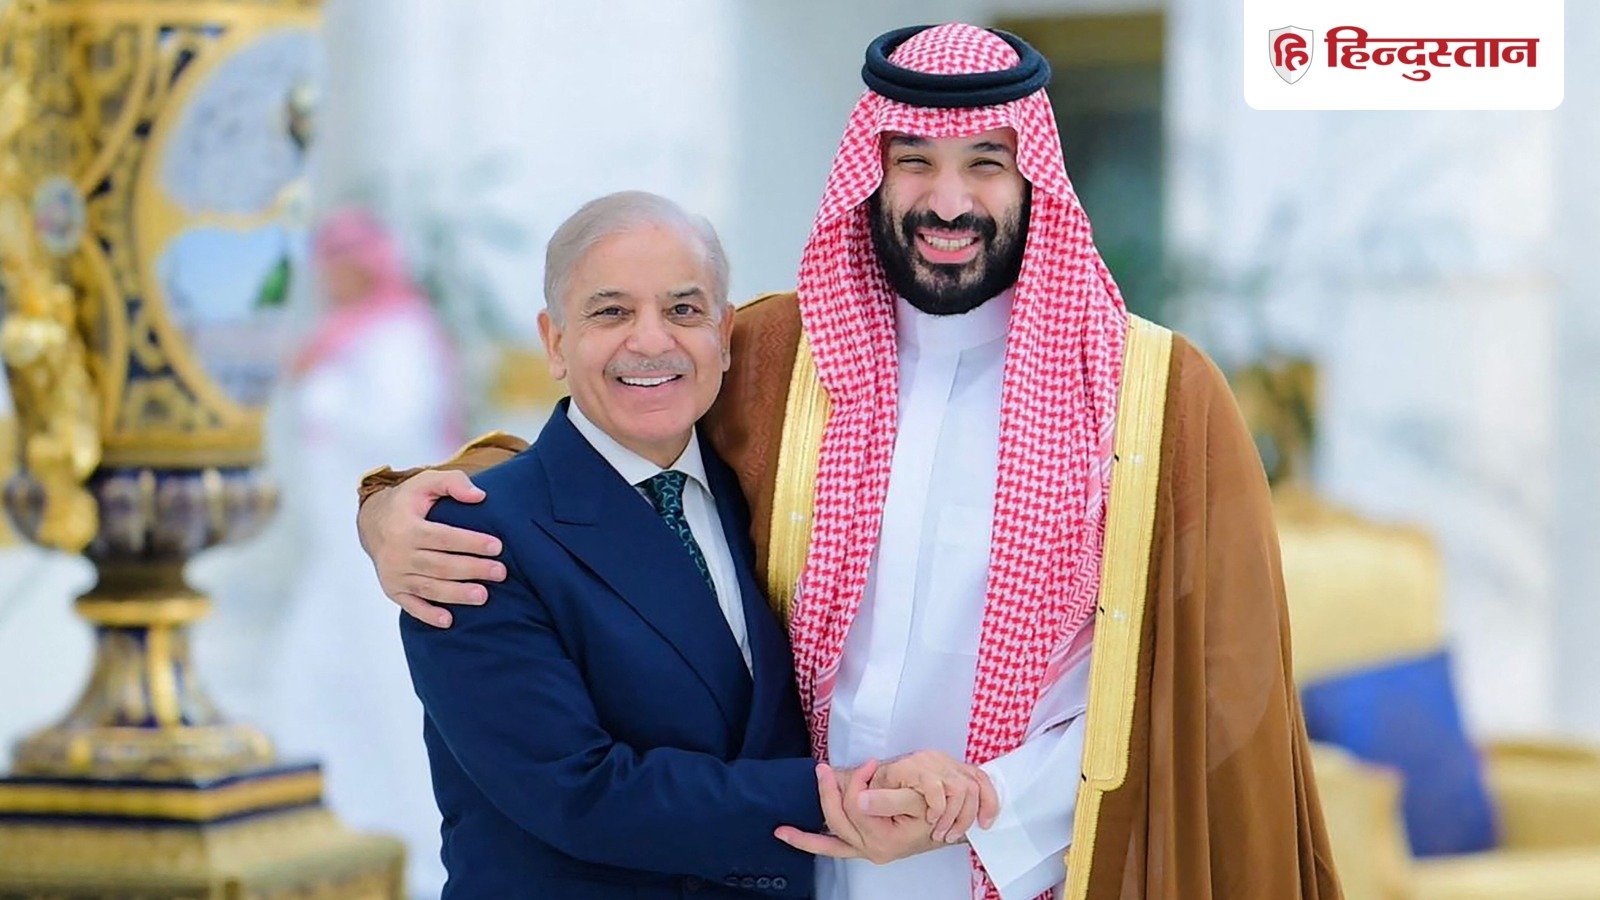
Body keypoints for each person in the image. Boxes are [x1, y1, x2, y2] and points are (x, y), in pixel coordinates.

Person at [358, 24, 1342, 900]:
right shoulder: (781, 355)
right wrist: (395, 507)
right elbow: (611, 458)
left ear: (1034, 176)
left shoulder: (1156, 395)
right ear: (871, 175)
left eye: (986, 163)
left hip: (1039, 858)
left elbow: (1220, 687)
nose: (948, 201)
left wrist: (992, 805)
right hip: (793, 859)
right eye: (913, 161)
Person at [395, 191, 996, 899]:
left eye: (683, 310)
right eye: (611, 312)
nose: (652, 341)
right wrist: (843, 796)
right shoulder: (469, 539)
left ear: (724, 334)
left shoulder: (764, 488)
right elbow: (577, 792)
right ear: (554, 342)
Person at [271, 207, 461, 896]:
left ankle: (414, 844)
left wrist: (319, 393)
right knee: (315, 679)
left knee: (391, 687)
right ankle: (330, 829)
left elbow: (394, 425)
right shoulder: (344, 336)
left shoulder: (399, 333)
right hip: (337, 560)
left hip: (383, 557)